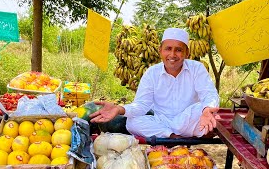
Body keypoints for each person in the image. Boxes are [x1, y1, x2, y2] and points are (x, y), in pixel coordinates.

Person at [90, 27, 220, 138]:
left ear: (187, 53)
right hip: (162, 122)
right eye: (168, 49)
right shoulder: (152, 73)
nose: (173, 54)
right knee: (132, 122)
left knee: (202, 109)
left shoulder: (197, 68)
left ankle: (171, 134)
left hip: (188, 121)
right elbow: (141, 105)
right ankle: (172, 136)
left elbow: (209, 94)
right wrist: (119, 109)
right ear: (160, 51)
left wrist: (207, 110)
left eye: (179, 50)